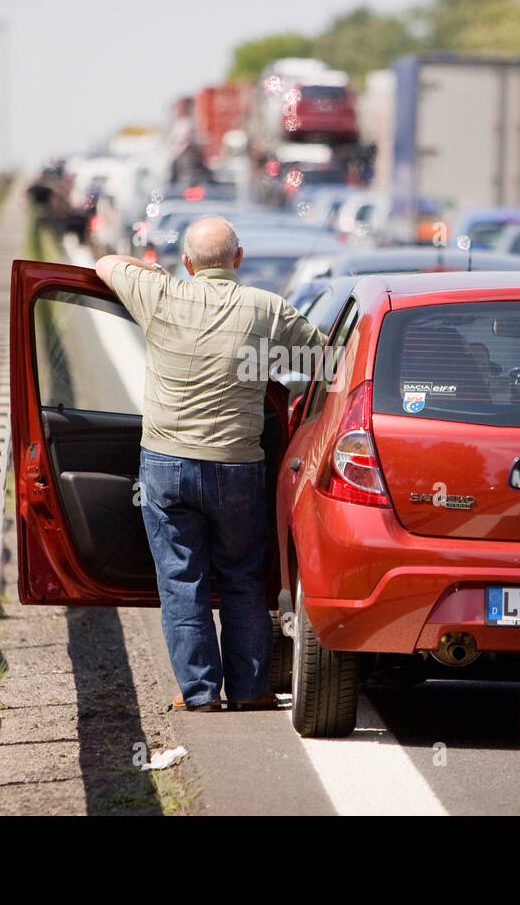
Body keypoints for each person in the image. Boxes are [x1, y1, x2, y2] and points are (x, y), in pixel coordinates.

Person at [94, 216, 327, 712]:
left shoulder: (159, 295)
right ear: (238, 260)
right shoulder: (267, 309)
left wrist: (155, 272)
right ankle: (249, 690)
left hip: (166, 466)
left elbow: (105, 262)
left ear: (186, 263)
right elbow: (326, 363)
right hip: (237, 468)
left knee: (182, 581)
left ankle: (199, 694)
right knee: (243, 578)